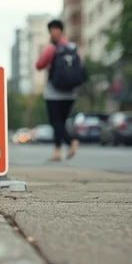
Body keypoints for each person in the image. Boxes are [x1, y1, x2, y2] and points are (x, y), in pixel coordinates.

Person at [34, 20, 81, 161]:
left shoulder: (51, 48)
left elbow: (39, 65)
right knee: (61, 123)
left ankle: (71, 142)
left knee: (55, 122)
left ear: (54, 31)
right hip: (70, 92)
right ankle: (57, 151)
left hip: (54, 93)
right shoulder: (72, 47)